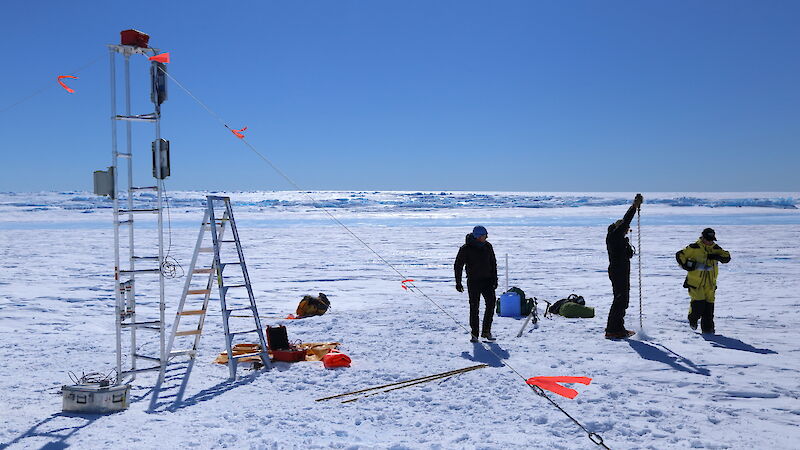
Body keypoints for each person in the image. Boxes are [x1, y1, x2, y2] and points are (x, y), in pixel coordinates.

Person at [675, 228, 731, 334]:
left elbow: (727, 257)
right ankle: (693, 319)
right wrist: (687, 266)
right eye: (708, 239)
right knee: (698, 304)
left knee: (709, 309)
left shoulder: (715, 248)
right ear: (703, 238)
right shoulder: (694, 247)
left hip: (710, 285)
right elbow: (679, 255)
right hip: (696, 283)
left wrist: (717, 256)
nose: (710, 242)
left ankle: (708, 330)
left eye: (712, 240)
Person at [605, 193, 644, 339]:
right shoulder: (614, 236)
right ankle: (613, 330)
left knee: (622, 299)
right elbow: (626, 221)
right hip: (618, 271)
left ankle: (617, 327)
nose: (627, 230)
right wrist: (634, 207)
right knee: (620, 300)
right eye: (624, 229)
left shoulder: (619, 239)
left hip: (621, 271)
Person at [454, 225, 498, 342]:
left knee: (491, 304)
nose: (486, 237)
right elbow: (458, 265)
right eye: (484, 236)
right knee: (474, 307)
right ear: (478, 236)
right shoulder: (466, 248)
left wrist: (495, 279)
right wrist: (458, 282)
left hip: (487, 281)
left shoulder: (488, 246)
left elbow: (493, 263)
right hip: (473, 282)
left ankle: (486, 331)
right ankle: (474, 334)